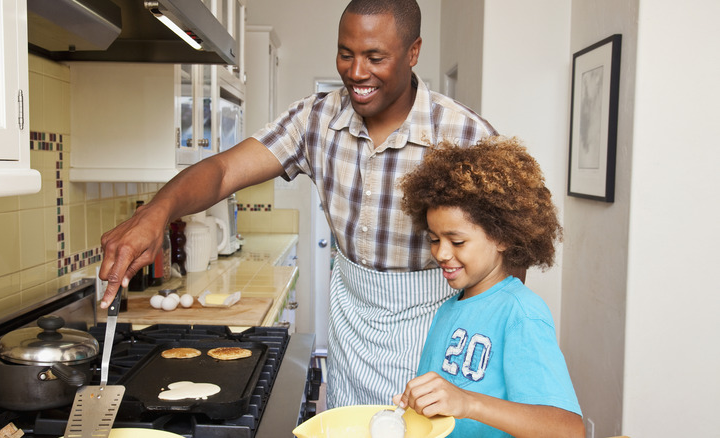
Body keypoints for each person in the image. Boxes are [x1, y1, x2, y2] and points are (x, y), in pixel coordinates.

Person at [97, 0, 496, 408]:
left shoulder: (466, 135)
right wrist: (156, 213)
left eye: (375, 57)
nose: (356, 72)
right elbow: (223, 171)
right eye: (346, 54)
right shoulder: (315, 119)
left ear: (413, 52)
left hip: (435, 331)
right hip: (352, 332)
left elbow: (507, 254)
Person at [395, 136, 584, 437]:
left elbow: (569, 430)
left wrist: (468, 403)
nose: (441, 253)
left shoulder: (520, 313)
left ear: (502, 237)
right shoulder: (449, 309)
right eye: (434, 239)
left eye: (457, 241)